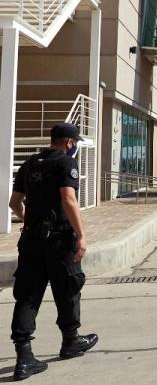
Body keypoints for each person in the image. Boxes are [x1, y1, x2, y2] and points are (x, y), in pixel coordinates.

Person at [8, 123, 98, 380]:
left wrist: (30, 222)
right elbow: (68, 199)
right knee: (68, 287)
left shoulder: (29, 164)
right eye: (75, 144)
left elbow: (15, 203)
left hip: (31, 241)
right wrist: (81, 235)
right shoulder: (64, 163)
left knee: (27, 295)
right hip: (59, 241)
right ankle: (70, 341)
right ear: (70, 143)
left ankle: (24, 357)